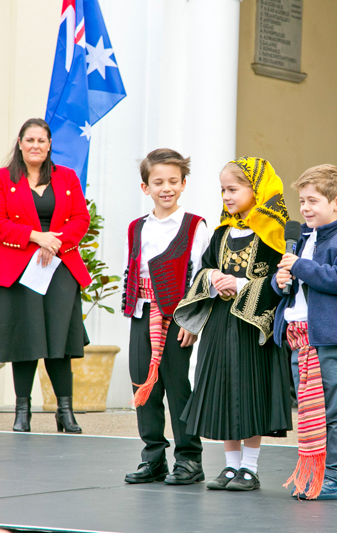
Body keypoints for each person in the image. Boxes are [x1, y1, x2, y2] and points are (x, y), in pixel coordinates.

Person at [174, 157, 293, 492]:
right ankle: (230, 467)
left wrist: (240, 286)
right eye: (223, 190)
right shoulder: (221, 233)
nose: (226, 196)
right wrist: (212, 278)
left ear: (257, 190)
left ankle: (250, 468)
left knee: (250, 392)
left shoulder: (274, 234)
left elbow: (280, 280)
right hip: (220, 325)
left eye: (233, 189)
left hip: (252, 326)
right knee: (225, 391)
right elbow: (206, 269)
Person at [0, 118, 91, 433]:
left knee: (59, 342)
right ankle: (22, 412)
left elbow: (81, 218)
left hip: (60, 269)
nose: (35, 145)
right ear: (20, 143)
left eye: (41, 140)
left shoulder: (67, 177)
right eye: (30, 140)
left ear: (49, 144)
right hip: (16, 272)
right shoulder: (0, 179)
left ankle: (65, 412)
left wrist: (57, 242)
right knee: (23, 341)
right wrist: (38, 237)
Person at [274, 164, 337, 500]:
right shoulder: (303, 240)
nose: (305, 208)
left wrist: (300, 266)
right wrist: (282, 282)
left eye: (313, 201)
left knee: (334, 410)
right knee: (309, 411)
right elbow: (302, 288)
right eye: (302, 201)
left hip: (332, 339)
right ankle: (312, 474)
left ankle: (332, 478)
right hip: (302, 339)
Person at [122, 149, 209, 486]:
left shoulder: (194, 227)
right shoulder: (137, 227)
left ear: (184, 184)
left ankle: (189, 459)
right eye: (158, 182)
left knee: (177, 387)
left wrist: (192, 322)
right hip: (142, 314)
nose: (166, 188)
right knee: (144, 386)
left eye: (173, 181)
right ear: (146, 188)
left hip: (176, 319)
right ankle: (153, 458)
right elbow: (133, 269)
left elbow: (201, 279)